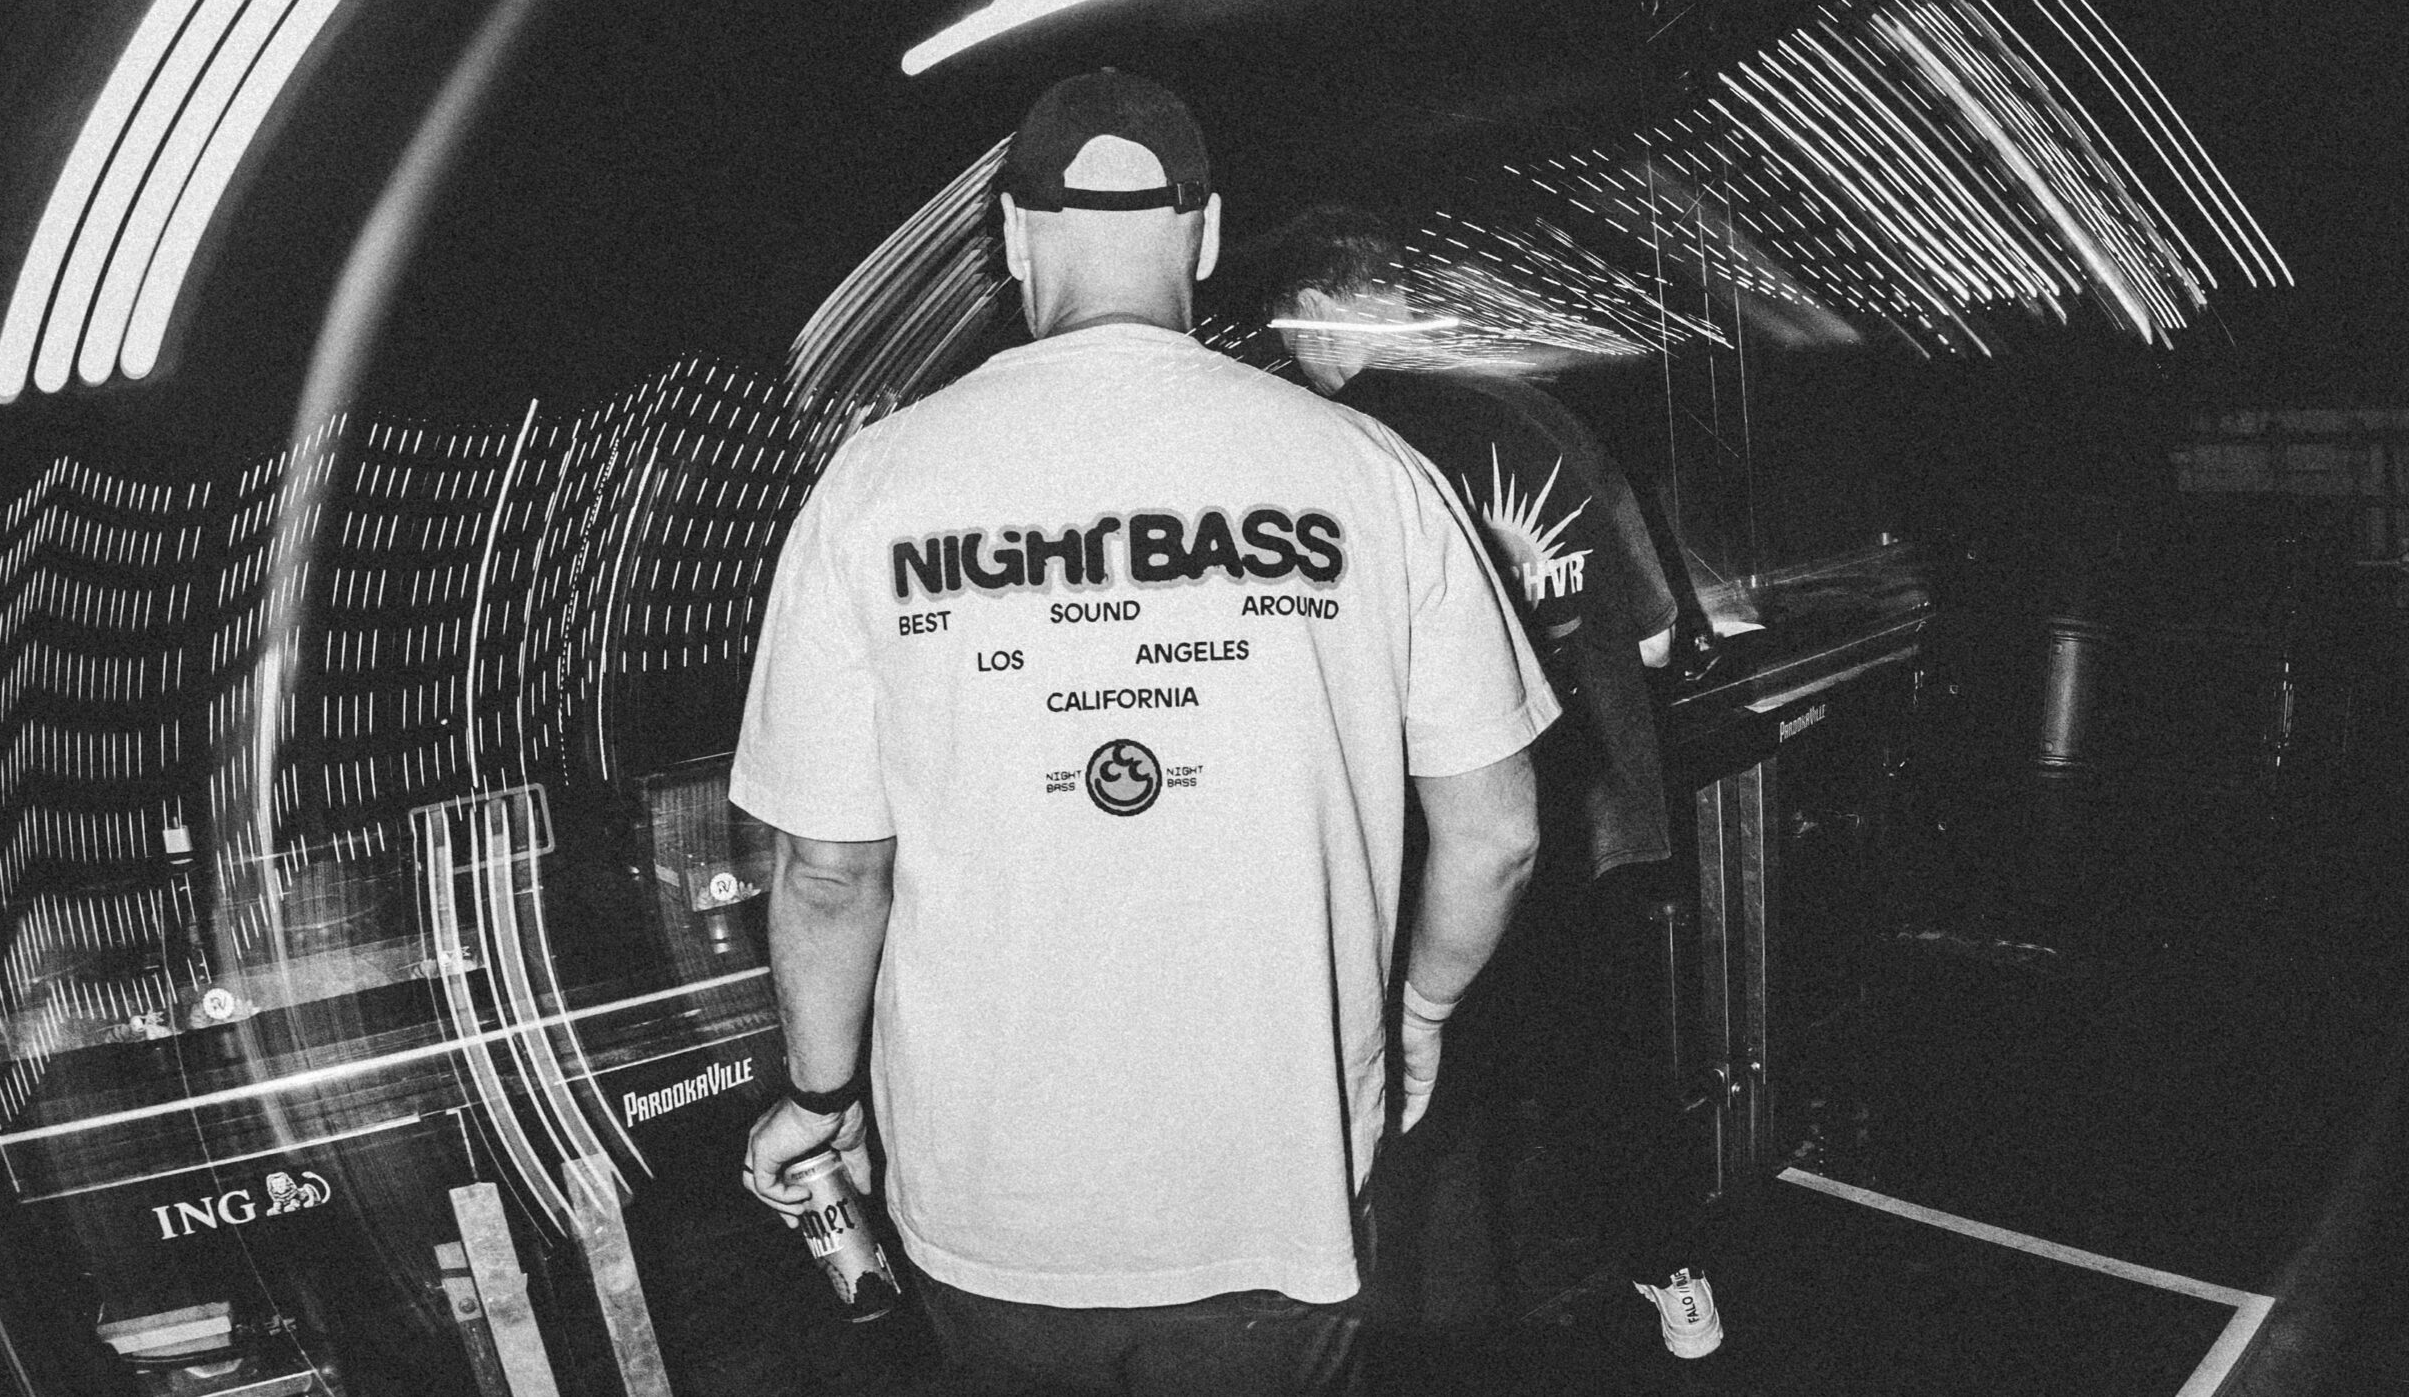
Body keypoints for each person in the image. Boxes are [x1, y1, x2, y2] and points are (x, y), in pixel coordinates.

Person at [731, 71, 1558, 1395]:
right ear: (1207, 232)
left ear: (1014, 238)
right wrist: (1419, 1009)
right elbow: (1498, 830)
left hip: (993, 1208)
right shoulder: (1369, 472)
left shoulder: (875, 488)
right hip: (1277, 1188)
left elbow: (829, 873)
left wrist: (820, 1099)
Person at [1260, 205, 1721, 1361]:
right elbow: (1658, 633)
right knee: (1606, 1068)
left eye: (1289, 334)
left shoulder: (1345, 451)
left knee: (1430, 1104)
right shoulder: (1540, 411)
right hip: (1592, 817)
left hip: (1442, 840)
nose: (1291, 358)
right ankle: (1679, 1290)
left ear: (1319, 314)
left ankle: (1436, 1347)